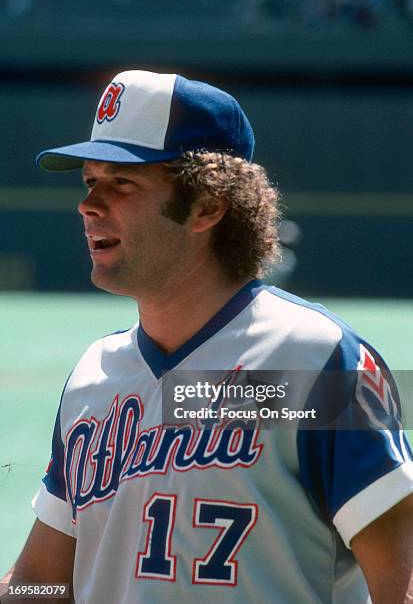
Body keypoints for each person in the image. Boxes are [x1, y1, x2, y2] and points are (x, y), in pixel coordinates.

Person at [1, 69, 413, 604]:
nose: (90, 204)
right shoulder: (95, 373)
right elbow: (46, 581)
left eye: (122, 182)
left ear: (209, 206)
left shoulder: (313, 360)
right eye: (89, 181)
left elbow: (399, 581)